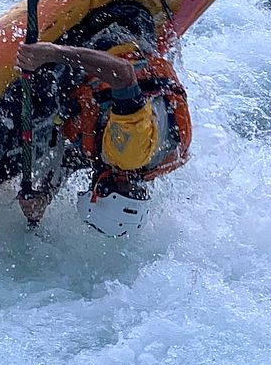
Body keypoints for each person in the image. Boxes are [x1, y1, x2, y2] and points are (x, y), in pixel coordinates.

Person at [11, 38, 190, 234]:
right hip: (106, 38)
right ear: (103, 191)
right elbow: (122, 73)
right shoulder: (129, 155)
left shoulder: (141, 167)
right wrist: (52, 53)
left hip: (132, 44)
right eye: (94, 192)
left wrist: (45, 194)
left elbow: (74, 159)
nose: (91, 187)